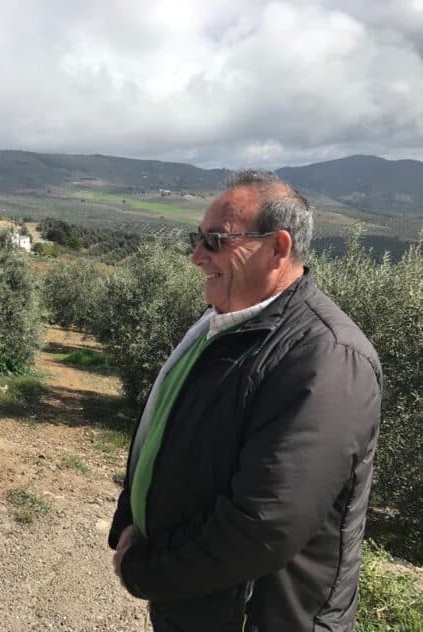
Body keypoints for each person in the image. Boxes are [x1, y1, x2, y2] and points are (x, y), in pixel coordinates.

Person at [109, 170, 382, 631]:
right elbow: (166, 430)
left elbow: (262, 526)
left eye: (215, 241)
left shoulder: (328, 358)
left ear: (278, 247)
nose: (197, 257)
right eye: (196, 238)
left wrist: (146, 569)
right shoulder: (224, 324)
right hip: (198, 603)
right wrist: (131, 521)